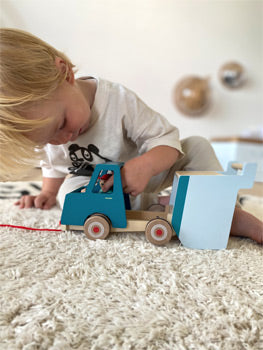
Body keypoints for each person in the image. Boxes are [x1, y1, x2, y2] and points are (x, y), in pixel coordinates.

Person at [0, 28, 262, 245]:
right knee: (68, 198)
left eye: (62, 124)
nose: (63, 139)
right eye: (47, 139)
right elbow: (53, 163)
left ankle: (224, 210)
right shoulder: (49, 130)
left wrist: (145, 165)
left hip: (150, 169)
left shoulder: (118, 101)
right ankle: (158, 206)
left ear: (64, 73)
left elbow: (166, 140)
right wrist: (47, 192)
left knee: (197, 147)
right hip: (99, 186)